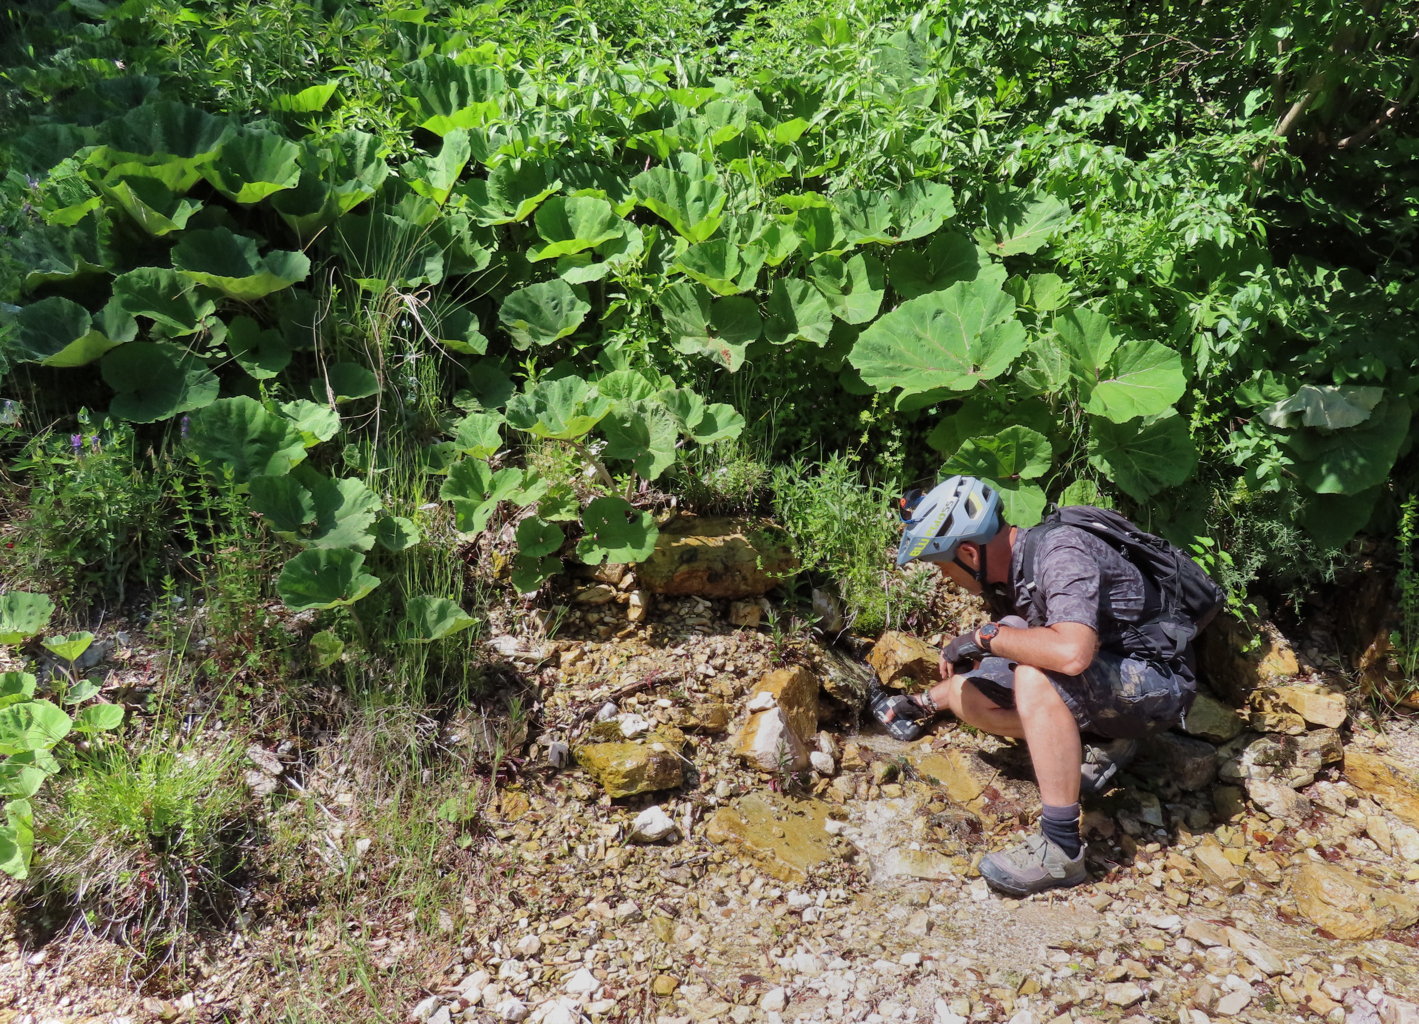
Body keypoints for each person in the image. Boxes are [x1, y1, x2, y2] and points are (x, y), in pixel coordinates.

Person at [885, 475, 1223, 896]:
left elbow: (1070, 655)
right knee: (969, 691)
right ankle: (1098, 742)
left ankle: (1061, 850)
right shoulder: (1015, 571)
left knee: (1030, 671)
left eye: (943, 566)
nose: (946, 577)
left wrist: (984, 638)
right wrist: (921, 702)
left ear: (969, 553)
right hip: (1105, 676)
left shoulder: (1062, 552)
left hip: (1155, 682)